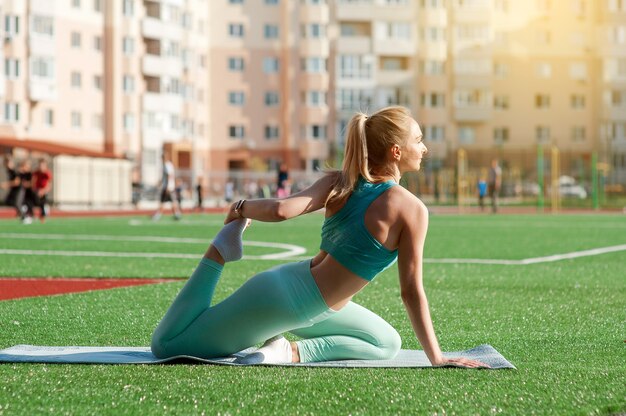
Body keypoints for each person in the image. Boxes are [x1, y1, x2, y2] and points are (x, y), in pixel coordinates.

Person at [151, 106, 488, 368]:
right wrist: (437, 356)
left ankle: (289, 351)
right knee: (166, 345)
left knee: (387, 343)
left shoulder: (342, 180)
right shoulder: (411, 209)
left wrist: (242, 206)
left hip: (306, 299)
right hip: (282, 301)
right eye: (419, 140)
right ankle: (218, 253)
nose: (425, 148)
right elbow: (411, 291)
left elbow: (282, 209)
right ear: (397, 151)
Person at [152, 154, 181, 221]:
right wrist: (160, 183)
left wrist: (168, 186)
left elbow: (169, 175)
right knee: (171, 201)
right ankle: (176, 214)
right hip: (168, 187)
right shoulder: (168, 165)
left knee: (164, 201)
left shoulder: (167, 165)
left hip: (168, 187)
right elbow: (165, 177)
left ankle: (158, 215)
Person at [33, 158, 52, 222]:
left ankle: (43, 214)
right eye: (40, 165)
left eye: (43, 165)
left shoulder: (47, 173)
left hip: (44, 190)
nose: (41, 167)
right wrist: (35, 190)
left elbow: (49, 185)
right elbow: (33, 182)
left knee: (43, 202)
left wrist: (43, 191)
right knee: (36, 202)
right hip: (37, 190)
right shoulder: (36, 172)